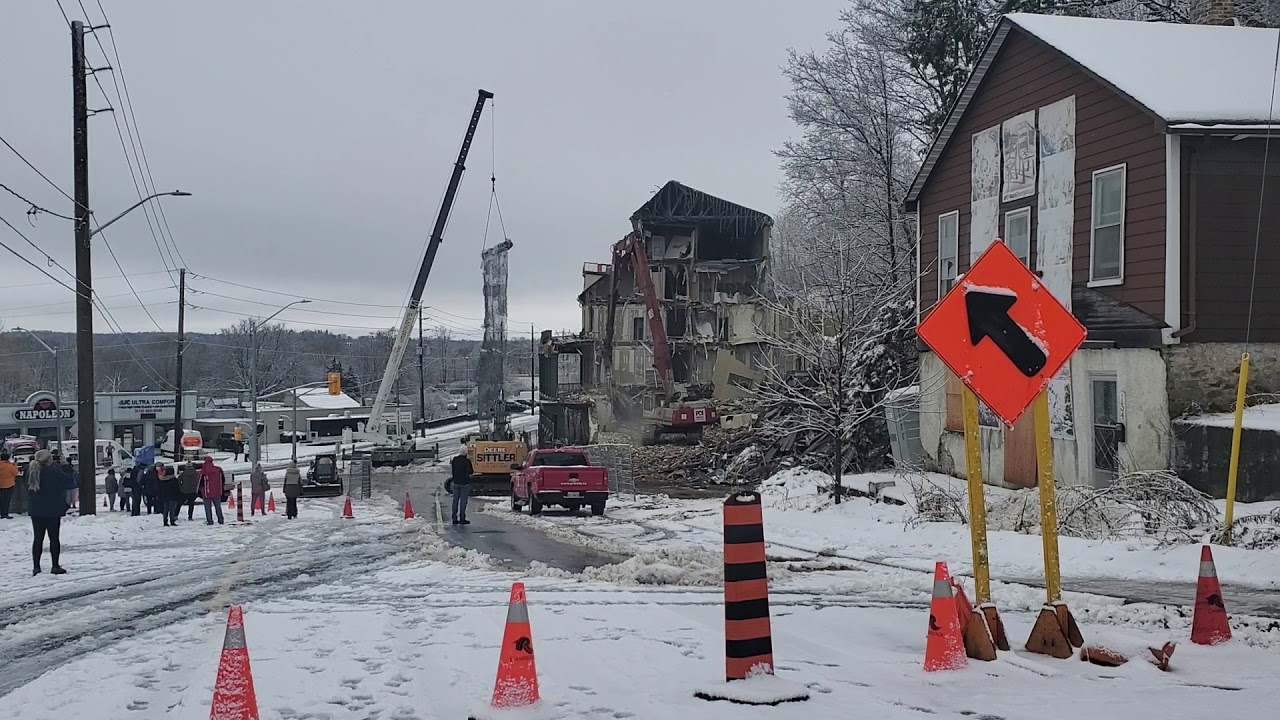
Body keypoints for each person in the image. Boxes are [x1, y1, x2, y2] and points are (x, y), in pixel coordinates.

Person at [26, 449, 71, 575]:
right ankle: (55, 566)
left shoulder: (30, 471)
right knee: (54, 539)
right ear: (48, 460)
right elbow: (68, 481)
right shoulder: (54, 471)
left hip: (36, 510)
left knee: (38, 539)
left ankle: (36, 567)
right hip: (52, 510)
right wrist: (64, 466)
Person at [446, 441, 473, 525]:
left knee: (455, 501)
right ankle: (462, 518)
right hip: (464, 483)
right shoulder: (467, 461)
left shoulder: (455, 460)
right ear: (466, 452)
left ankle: (454, 518)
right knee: (463, 502)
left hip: (455, 482)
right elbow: (471, 471)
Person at [199, 457, 225, 525]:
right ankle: (220, 519)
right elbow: (222, 480)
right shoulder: (218, 470)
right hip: (216, 491)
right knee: (218, 506)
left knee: (207, 507)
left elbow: (200, 482)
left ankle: (209, 520)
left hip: (206, 492)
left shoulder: (203, 471)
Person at [158, 462, 181, 526]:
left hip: (165, 497)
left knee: (166, 509)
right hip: (173, 497)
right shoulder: (174, 480)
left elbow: (160, 489)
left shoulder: (162, 480)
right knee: (172, 510)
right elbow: (177, 489)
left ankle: (165, 521)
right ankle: (172, 521)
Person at [0, 452, 17, 519]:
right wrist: (15, 465)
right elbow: (15, 472)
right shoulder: (9, 466)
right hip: (8, 485)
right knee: (6, 500)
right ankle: (4, 514)